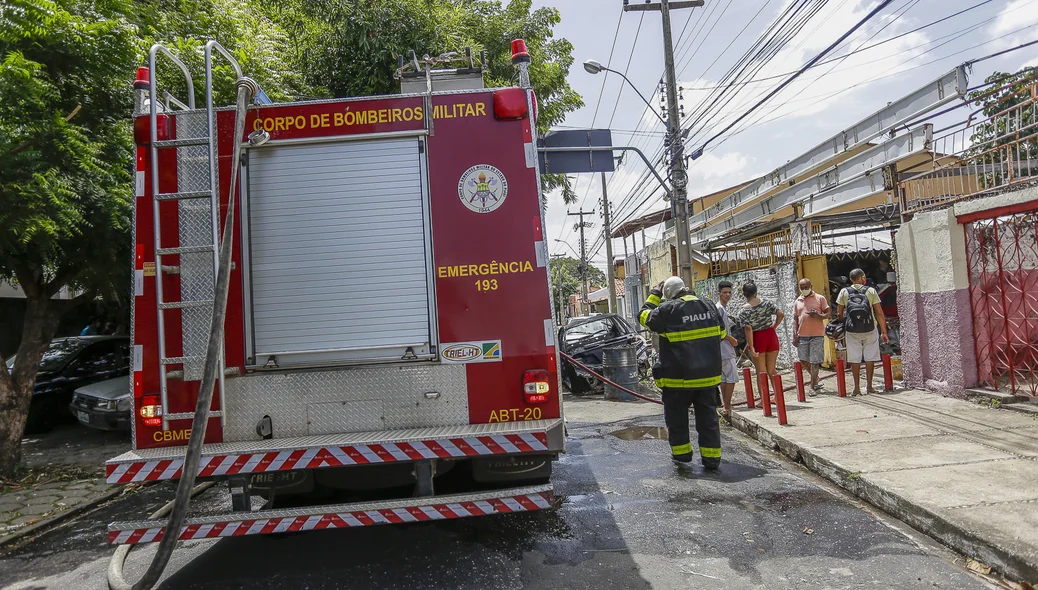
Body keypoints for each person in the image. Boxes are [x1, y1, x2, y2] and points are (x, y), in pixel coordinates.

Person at [639, 276, 725, 470]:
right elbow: (720, 334)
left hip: (678, 379)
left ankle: (682, 456)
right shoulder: (708, 305)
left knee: (677, 419)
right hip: (707, 378)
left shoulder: (668, 310)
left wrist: (654, 294)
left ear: (668, 295)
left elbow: (644, 316)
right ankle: (712, 459)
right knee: (708, 418)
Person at [837, 268, 889, 395]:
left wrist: (846, 323)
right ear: (862, 278)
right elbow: (879, 313)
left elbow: (839, 313)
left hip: (852, 330)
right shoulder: (871, 291)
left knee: (855, 359)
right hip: (870, 329)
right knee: (870, 358)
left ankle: (856, 388)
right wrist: (884, 331)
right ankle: (869, 387)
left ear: (851, 279)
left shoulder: (844, 292)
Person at [738, 282, 785, 389]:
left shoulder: (743, 311)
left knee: (761, 372)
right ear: (755, 293)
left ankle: (764, 400)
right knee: (772, 370)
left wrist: (751, 346)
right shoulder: (767, 303)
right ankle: (778, 397)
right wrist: (775, 326)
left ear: (744, 294)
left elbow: (748, 328)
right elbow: (781, 314)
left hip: (757, 338)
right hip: (770, 335)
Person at [792, 278, 830, 395]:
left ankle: (812, 387)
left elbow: (828, 313)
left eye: (806, 287)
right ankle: (816, 378)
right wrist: (795, 334)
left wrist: (818, 315)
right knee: (803, 359)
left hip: (817, 335)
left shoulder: (820, 298)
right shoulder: (798, 301)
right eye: (802, 288)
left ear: (811, 286)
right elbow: (795, 318)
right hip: (802, 335)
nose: (804, 290)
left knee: (815, 361)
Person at [715, 281, 740, 422]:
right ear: (719, 293)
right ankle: (727, 406)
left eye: (729, 292)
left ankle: (725, 406)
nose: (728, 295)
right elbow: (720, 331)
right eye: (725, 292)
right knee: (730, 378)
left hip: (722, 350)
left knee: (724, 379)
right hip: (724, 349)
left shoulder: (721, 308)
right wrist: (731, 339)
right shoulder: (720, 309)